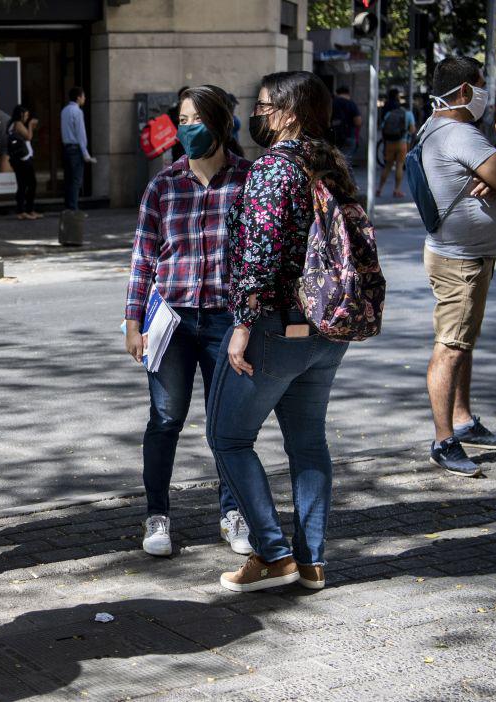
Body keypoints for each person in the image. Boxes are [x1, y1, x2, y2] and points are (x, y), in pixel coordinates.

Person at [206, 71, 360, 593]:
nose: (258, 113)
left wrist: (241, 326)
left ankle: (274, 554)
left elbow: (262, 252)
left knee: (227, 436)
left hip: (277, 326)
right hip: (327, 327)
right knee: (308, 442)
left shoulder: (274, 167)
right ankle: (312, 561)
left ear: (290, 113)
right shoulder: (329, 164)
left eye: (265, 105)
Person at [124, 85, 253, 559]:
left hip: (228, 321)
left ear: (221, 125)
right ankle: (157, 514)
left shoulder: (248, 180)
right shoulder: (163, 185)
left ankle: (232, 512)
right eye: (182, 120)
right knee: (165, 419)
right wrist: (132, 322)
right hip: (171, 322)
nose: (187, 129)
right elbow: (142, 259)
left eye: (196, 120)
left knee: (228, 426)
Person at [419, 56, 496, 477]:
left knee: (463, 340)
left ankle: (461, 419)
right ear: (465, 92)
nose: (484, 94)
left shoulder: (436, 128)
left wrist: (486, 171)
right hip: (460, 261)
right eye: (481, 85)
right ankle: (444, 442)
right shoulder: (460, 135)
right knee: (451, 346)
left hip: (465, 256)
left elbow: (485, 177)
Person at [60, 86, 96, 211]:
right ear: (78, 97)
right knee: (76, 180)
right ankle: (73, 209)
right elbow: (81, 134)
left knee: (68, 179)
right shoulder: (77, 112)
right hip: (75, 149)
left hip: (66, 148)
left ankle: (68, 207)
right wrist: (86, 154)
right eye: (83, 96)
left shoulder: (64, 110)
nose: (84, 98)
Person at [376, 88, 416, 198]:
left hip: (389, 142)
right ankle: (397, 190)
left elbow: (383, 127)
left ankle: (379, 189)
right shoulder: (408, 114)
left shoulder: (389, 113)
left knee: (387, 166)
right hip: (402, 143)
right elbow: (412, 130)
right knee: (399, 165)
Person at [8, 103, 41, 220]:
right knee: (29, 184)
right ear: (20, 115)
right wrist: (31, 125)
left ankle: (26, 210)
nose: (27, 118)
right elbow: (28, 137)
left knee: (25, 184)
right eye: (25, 115)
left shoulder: (14, 124)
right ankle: (25, 210)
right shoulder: (17, 124)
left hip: (21, 160)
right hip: (23, 160)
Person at [331, 85, 362, 162]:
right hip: (349, 135)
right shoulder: (351, 104)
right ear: (348, 93)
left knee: (335, 161)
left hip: (334, 136)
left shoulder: (332, 103)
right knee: (346, 163)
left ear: (337, 93)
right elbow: (358, 121)